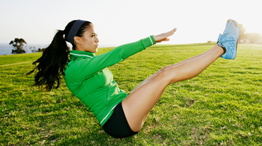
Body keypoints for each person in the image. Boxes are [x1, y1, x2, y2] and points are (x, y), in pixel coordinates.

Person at [28, 19, 239, 138]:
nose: (97, 39)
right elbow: (116, 55)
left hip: (124, 108)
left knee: (163, 71)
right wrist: (151, 39)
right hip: (118, 121)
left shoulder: (84, 61)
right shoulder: (76, 68)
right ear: (77, 40)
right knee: (166, 75)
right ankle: (223, 47)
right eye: (92, 36)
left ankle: (223, 47)